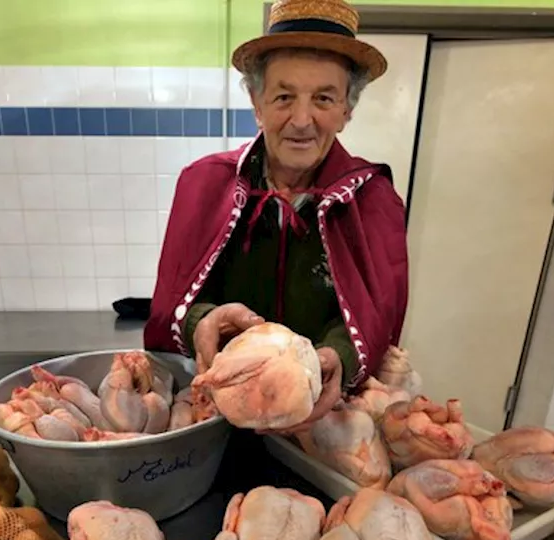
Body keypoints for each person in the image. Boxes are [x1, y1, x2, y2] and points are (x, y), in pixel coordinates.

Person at [144, 0, 409, 430]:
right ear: (256, 101)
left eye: (324, 98)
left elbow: (377, 318)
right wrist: (200, 322)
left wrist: (336, 357)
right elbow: (170, 305)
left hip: (323, 424)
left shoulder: (374, 199)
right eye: (284, 97)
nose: (302, 120)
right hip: (217, 419)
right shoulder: (204, 184)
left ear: (347, 109)